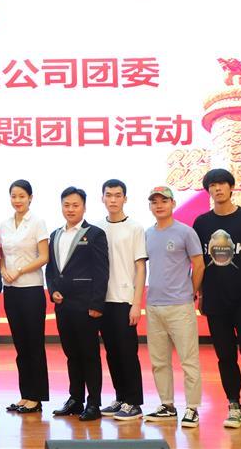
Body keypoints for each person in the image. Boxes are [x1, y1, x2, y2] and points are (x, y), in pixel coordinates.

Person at [192, 168, 241, 429]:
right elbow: (198, 263)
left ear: (231, 187)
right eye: (212, 185)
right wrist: (199, 293)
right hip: (215, 303)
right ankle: (234, 405)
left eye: (222, 184)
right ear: (208, 191)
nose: (217, 189)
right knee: (225, 357)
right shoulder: (201, 223)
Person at [46, 186, 109, 422]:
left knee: (89, 355)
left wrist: (97, 304)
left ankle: (94, 403)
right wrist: (53, 290)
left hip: (86, 306)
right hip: (63, 306)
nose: (70, 209)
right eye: (66, 205)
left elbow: (102, 271)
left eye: (75, 205)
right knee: (71, 354)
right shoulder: (55, 234)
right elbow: (51, 269)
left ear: (84, 207)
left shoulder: (94, 234)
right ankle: (75, 399)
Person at [144, 185, 204, 428]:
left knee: (189, 360)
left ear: (173, 204)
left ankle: (192, 408)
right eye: (154, 201)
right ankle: (167, 405)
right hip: (153, 305)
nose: (159, 205)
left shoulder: (185, 232)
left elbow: (198, 264)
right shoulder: (147, 234)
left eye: (164, 201)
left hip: (180, 306)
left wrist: (190, 291)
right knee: (159, 361)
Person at [95, 179, 147, 421]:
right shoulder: (97, 228)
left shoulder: (135, 228)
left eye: (118, 195)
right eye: (109, 195)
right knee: (112, 352)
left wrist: (137, 303)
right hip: (103, 300)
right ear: (102, 198)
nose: (113, 199)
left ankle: (134, 402)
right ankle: (120, 397)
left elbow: (140, 267)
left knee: (127, 352)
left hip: (125, 300)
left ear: (125, 198)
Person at [0, 179, 49, 414]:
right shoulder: (5, 224)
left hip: (31, 288)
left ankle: (36, 397)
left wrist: (19, 271)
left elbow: (44, 257)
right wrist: (3, 270)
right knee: (20, 345)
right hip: (10, 290)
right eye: (14, 196)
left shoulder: (37, 222)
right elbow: (1, 255)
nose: (17, 200)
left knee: (34, 344)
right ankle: (25, 394)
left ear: (30, 198)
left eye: (21, 196)